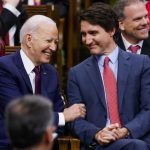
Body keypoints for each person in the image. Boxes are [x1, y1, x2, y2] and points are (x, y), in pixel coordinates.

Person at [67, 2, 150, 150]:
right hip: (99, 145)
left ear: (111, 30)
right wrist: (97, 134)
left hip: (134, 139)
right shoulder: (76, 73)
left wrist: (125, 131)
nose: (87, 40)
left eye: (93, 33)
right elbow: (75, 120)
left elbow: (148, 109)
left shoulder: (141, 63)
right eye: (83, 34)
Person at [0, 15, 86, 150]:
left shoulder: (51, 73)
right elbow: (20, 116)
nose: (53, 47)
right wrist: (63, 117)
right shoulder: (4, 68)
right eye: (49, 41)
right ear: (29, 40)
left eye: (56, 42)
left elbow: (58, 117)